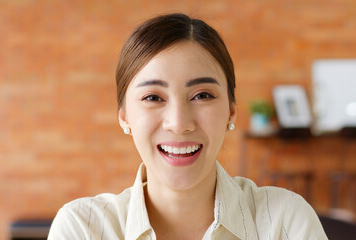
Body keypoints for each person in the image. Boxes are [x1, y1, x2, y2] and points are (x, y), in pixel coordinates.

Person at [48, 13, 328, 240]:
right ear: (124, 117)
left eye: (202, 95)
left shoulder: (286, 223)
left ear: (231, 110)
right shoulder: (82, 228)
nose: (179, 124)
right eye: (153, 97)